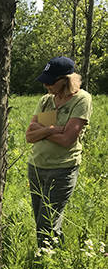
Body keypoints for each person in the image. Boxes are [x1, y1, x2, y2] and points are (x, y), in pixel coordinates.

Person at [25, 56, 92, 248]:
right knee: (41, 220)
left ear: (66, 80)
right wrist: (51, 129)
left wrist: (43, 130)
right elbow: (30, 136)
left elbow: (67, 140)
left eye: (51, 81)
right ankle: (57, 254)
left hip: (62, 169)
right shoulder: (46, 100)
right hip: (37, 166)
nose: (46, 85)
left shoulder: (81, 99)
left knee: (47, 222)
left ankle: (46, 262)